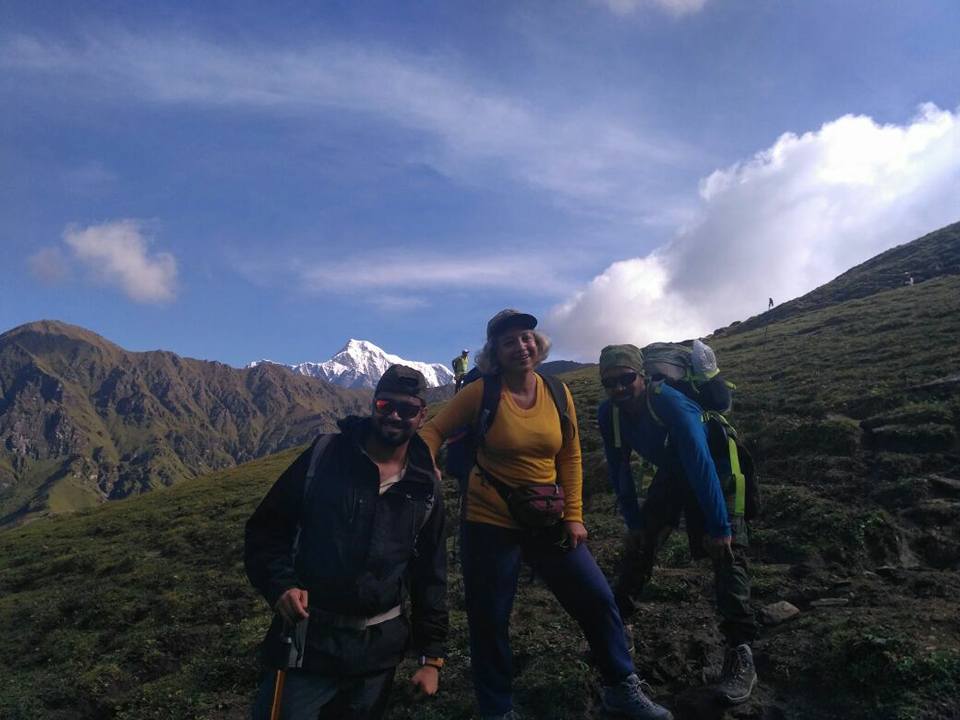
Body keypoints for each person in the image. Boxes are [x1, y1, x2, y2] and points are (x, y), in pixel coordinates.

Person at [421, 310, 672, 720]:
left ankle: (621, 688)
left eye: (526, 337)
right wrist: (428, 461)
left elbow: (570, 455)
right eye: (509, 342)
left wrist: (574, 515)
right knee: (489, 620)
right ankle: (497, 709)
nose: (521, 346)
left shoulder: (557, 391)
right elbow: (432, 430)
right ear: (495, 353)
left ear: (537, 344)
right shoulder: (480, 392)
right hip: (489, 522)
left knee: (597, 600)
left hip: (548, 518)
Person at [245, 365, 448, 720]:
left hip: (376, 658)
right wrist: (280, 586)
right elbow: (267, 529)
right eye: (386, 405)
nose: (395, 416)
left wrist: (431, 658)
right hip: (308, 648)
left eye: (408, 409)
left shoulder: (425, 486)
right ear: (373, 404)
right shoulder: (324, 457)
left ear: (422, 415)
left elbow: (431, 573)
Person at [596, 345, 758, 705]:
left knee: (729, 555)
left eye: (626, 379)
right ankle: (619, 628)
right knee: (641, 544)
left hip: (717, 471)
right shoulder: (610, 414)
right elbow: (618, 468)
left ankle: (741, 649)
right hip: (674, 472)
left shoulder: (671, 404)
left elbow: (702, 466)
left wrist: (718, 526)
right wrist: (633, 522)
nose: (619, 388)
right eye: (611, 383)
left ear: (643, 376)